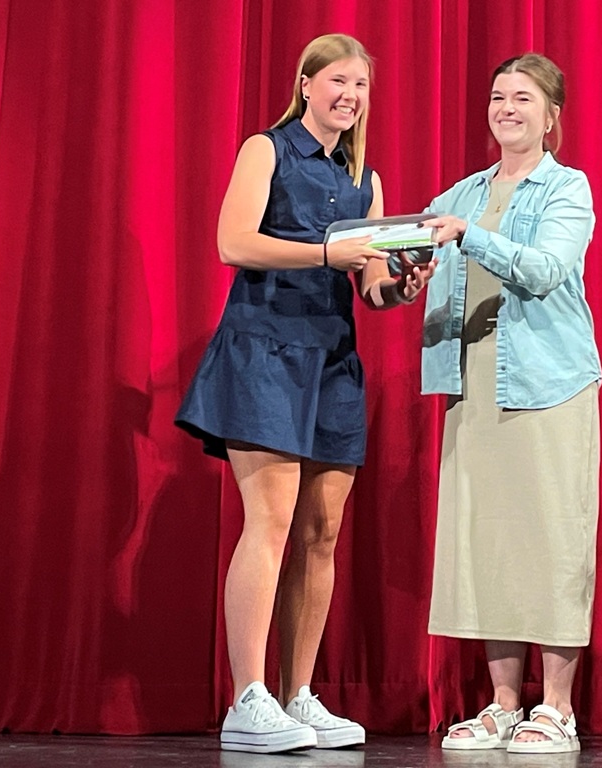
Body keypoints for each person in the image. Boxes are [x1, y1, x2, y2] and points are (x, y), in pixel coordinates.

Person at [175, 33, 433, 754]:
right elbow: (233, 242)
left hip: (333, 362)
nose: (350, 96)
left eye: (360, 86)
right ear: (307, 84)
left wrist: (401, 285)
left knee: (321, 532)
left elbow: (372, 287)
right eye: (338, 82)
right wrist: (325, 251)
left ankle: (298, 696)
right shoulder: (267, 149)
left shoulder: (366, 181)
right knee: (272, 520)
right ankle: (247, 700)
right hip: (263, 351)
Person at [419, 53, 601, 755]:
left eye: (523, 97)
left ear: (551, 116)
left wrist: (469, 236)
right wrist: (401, 267)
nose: (507, 108)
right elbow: (423, 268)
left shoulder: (567, 188)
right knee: (488, 541)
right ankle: (501, 704)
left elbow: (548, 269)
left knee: (552, 538)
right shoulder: (461, 193)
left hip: (549, 383)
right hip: (474, 386)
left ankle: (556, 707)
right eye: (499, 96)